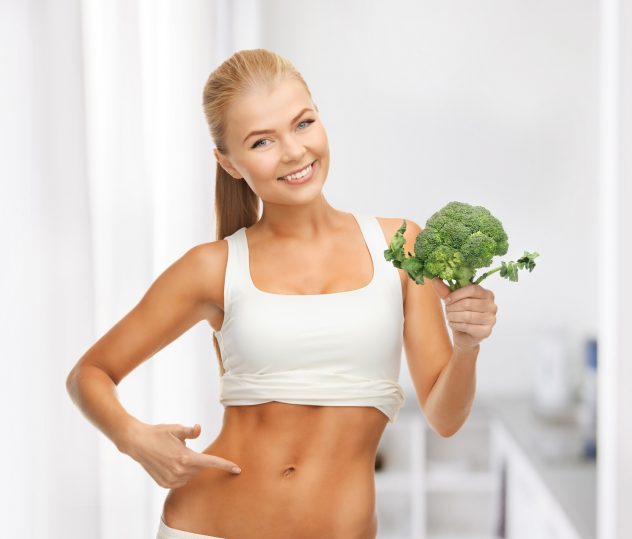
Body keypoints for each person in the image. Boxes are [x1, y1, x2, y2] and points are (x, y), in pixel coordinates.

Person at [66, 48, 498, 539]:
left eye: (303, 123)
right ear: (228, 163)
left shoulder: (401, 247)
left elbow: (444, 418)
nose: (294, 152)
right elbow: (89, 374)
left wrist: (466, 347)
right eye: (261, 141)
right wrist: (135, 439)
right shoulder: (213, 267)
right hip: (207, 528)